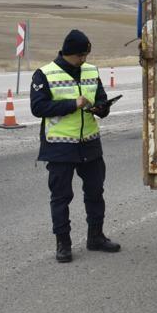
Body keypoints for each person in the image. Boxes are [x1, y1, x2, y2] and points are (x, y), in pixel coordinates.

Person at [30, 29, 120, 262]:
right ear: (68, 53)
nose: (84, 60)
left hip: (90, 143)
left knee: (95, 192)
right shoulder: (44, 74)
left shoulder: (90, 70)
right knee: (61, 197)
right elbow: (38, 108)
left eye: (86, 55)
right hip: (59, 146)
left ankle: (96, 237)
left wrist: (102, 108)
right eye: (80, 55)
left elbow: (100, 97)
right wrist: (73, 104)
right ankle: (63, 244)